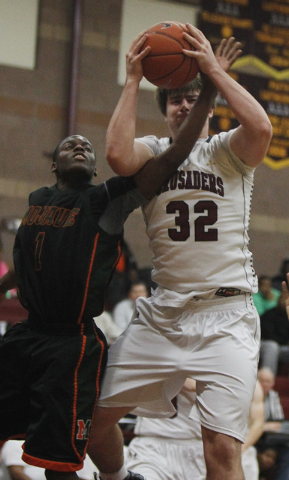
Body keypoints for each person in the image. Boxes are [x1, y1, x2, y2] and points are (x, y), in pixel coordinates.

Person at [0, 61, 222, 480]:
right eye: (71, 145)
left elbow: (174, 156)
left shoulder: (105, 199)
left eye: (87, 147)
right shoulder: (38, 202)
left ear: (94, 168)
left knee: (57, 463)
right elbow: (32, 254)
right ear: (54, 165)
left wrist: (208, 95)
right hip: (27, 335)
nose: (81, 148)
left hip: (71, 343)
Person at [86, 22, 273, 480]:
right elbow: (114, 153)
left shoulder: (226, 151)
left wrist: (213, 70)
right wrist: (132, 80)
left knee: (221, 452)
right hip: (163, 314)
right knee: (88, 423)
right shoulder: (153, 152)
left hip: (226, 316)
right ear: (165, 108)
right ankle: (118, 477)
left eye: (192, 97)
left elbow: (263, 127)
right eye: (174, 98)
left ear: (206, 105)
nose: (184, 105)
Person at [126, 380, 264, 480]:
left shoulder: (242, 374)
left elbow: (258, 423)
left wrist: (239, 450)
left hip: (203, 448)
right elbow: (190, 384)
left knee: (245, 457)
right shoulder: (157, 354)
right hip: (154, 446)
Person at [256, 367, 289, 480]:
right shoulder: (250, 395)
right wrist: (263, 426)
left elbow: (277, 423)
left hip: (269, 439)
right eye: (262, 380)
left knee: (286, 451)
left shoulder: (273, 396)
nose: (265, 384)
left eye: (268, 382)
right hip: (252, 439)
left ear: (273, 384)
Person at [259, 292, 289, 376]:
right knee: (272, 346)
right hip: (266, 344)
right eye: (283, 299)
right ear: (278, 300)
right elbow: (268, 335)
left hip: (283, 348)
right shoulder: (270, 314)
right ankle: (267, 378)